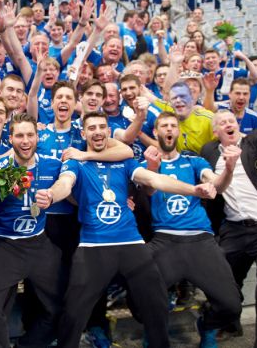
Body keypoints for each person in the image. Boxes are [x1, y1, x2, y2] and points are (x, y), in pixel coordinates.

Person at [39, 111, 217, 348]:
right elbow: (65, 183)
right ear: (83, 133)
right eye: (91, 128)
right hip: (94, 245)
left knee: (156, 304)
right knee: (74, 312)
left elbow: (155, 180)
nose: (98, 132)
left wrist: (194, 190)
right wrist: (51, 194)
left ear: (108, 131)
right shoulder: (76, 161)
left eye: (102, 127)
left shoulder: (123, 161)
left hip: (131, 243)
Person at [200, 87, 257, 348]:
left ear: (237, 124)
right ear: (215, 131)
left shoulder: (254, 139)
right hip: (234, 230)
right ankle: (228, 321)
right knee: (221, 284)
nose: (228, 124)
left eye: (231, 120)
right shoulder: (209, 152)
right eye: (221, 123)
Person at [142, 111, 243, 347]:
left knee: (231, 306)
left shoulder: (194, 161)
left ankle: (207, 326)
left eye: (173, 126)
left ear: (178, 132)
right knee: (140, 301)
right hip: (164, 239)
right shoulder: (145, 164)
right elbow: (148, 191)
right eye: (163, 126)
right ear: (155, 132)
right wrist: (152, 168)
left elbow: (216, 183)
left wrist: (228, 168)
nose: (169, 129)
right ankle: (155, 326)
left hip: (200, 239)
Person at [0, 113, 64, 348]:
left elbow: (72, 188)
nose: (25, 141)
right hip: (5, 245)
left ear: (37, 137)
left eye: (30, 135)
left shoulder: (52, 164)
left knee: (63, 305)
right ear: (11, 138)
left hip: (39, 242)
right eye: (20, 136)